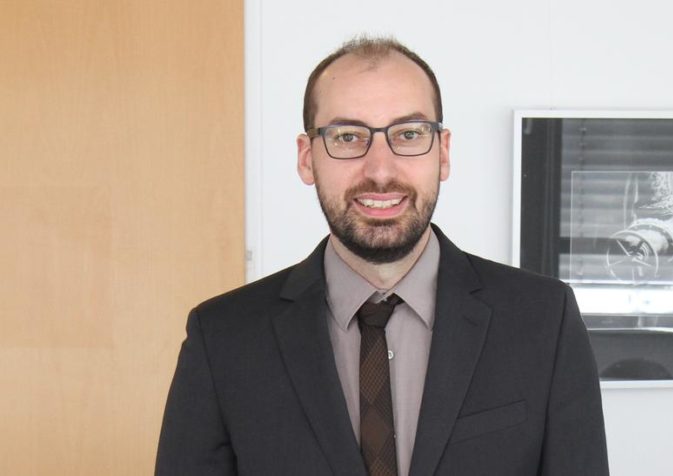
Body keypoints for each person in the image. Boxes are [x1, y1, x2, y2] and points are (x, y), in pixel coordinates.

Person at [155, 36, 609, 476]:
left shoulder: (543, 320)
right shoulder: (222, 338)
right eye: (347, 136)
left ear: (443, 153)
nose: (379, 170)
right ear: (307, 158)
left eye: (408, 134)